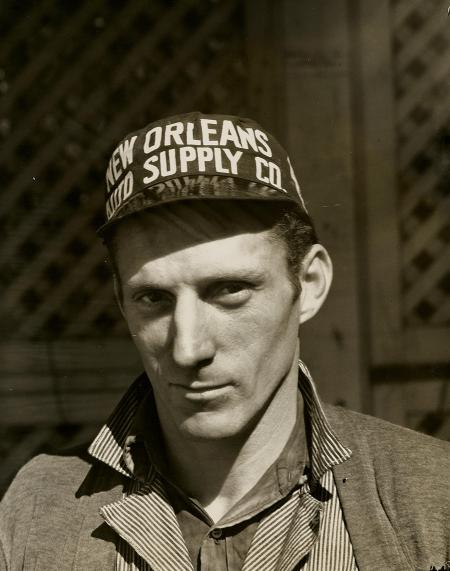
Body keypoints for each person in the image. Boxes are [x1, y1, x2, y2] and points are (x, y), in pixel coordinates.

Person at [0, 112, 448, 571]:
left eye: (230, 290)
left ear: (308, 284)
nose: (187, 349)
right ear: (120, 302)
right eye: (153, 298)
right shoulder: (36, 509)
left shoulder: (431, 497)